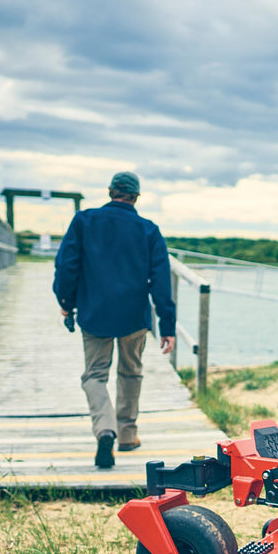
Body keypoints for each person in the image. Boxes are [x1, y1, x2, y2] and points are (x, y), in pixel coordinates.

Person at [53, 171, 176, 468]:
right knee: (131, 372)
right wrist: (167, 325)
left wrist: (66, 303)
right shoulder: (148, 229)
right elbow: (161, 281)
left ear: (110, 192)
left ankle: (104, 429)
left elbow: (66, 266)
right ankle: (127, 435)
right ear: (136, 197)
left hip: (94, 311)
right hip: (134, 315)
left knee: (94, 375)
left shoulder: (83, 220)